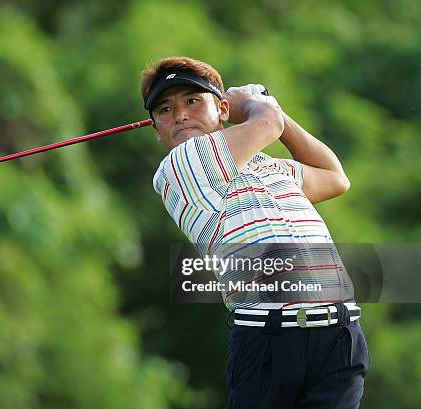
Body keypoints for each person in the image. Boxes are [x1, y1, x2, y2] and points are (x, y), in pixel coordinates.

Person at [141, 56, 370, 409]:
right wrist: (255, 105)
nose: (180, 115)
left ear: (221, 109)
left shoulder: (267, 166)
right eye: (165, 110)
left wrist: (271, 110)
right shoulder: (179, 167)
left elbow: (335, 176)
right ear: (156, 129)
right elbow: (267, 124)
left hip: (338, 337)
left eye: (192, 101)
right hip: (268, 338)